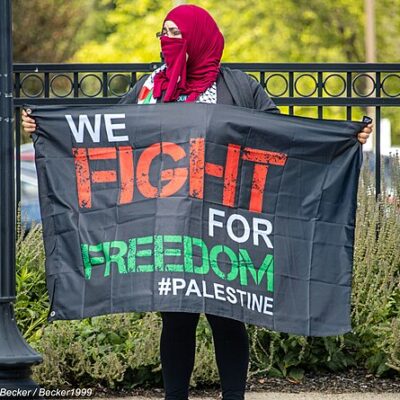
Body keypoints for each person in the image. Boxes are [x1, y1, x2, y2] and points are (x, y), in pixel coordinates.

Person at [22, 5, 373, 400]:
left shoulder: (238, 88)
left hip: (225, 222)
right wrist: (47, 127)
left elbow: (281, 136)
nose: (166, 40)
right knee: (176, 317)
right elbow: (107, 136)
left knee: (227, 317)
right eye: (163, 32)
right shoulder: (149, 88)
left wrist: (341, 140)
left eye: (176, 32)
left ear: (199, 37)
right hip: (169, 224)